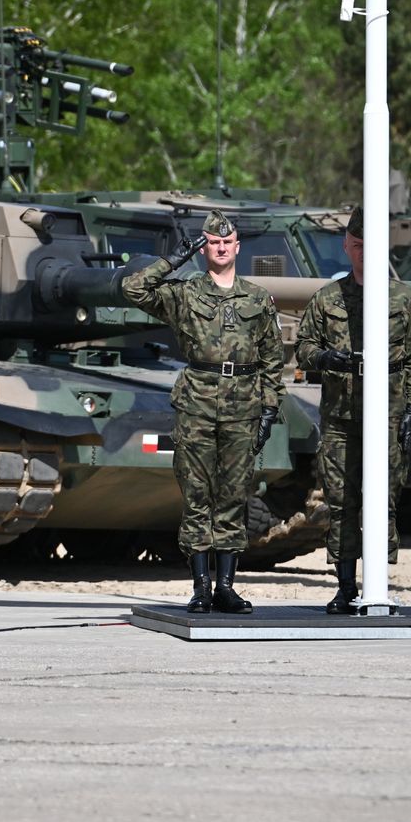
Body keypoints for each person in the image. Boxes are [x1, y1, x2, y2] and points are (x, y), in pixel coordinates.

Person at [120, 209, 283, 615]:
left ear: (237, 247)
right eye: (213, 242)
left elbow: (272, 359)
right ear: (204, 246)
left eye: (227, 242)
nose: (221, 247)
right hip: (197, 402)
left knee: (233, 496)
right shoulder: (185, 293)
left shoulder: (257, 299)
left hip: (243, 404)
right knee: (196, 496)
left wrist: (269, 409)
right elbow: (134, 289)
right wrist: (174, 259)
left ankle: (226, 587)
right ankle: (200, 588)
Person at [293, 205, 411, 615]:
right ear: (346, 246)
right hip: (341, 418)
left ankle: (379, 581)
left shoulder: (402, 299)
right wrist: (327, 358)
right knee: (341, 501)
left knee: (383, 500)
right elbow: (302, 348)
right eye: (356, 245)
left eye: (370, 245)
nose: (363, 252)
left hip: (387, 414)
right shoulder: (328, 298)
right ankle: (345, 584)